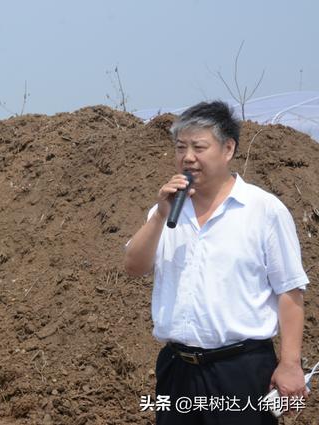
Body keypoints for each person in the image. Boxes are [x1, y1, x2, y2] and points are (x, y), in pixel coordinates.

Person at [124, 101, 308, 424]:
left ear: (228, 148)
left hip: (240, 372)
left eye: (198, 146)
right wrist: (160, 218)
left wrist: (290, 363)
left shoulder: (263, 210)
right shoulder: (168, 209)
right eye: (181, 147)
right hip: (177, 370)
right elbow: (133, 266)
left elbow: (290, 291)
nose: (188, 157)